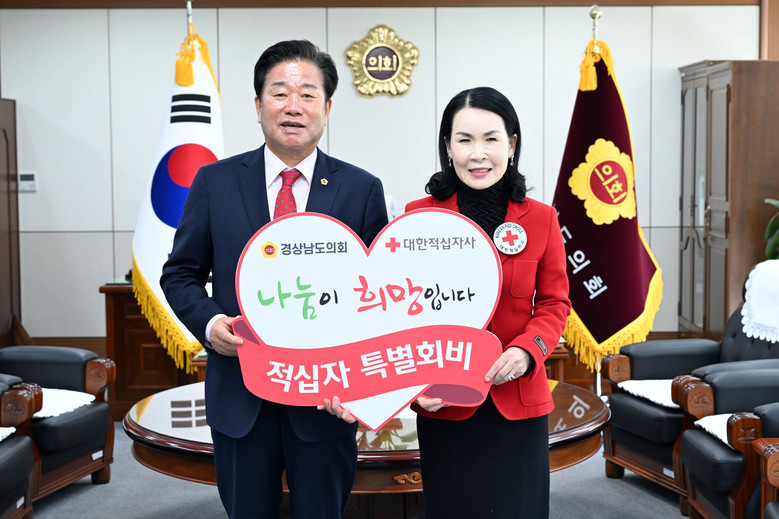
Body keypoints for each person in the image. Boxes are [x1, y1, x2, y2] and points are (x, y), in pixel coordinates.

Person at [160, 40, 388, 519]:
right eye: (280, 93)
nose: (293, 107)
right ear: (258, 105)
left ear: (327, 108)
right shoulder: (214, 182)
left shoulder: (361, 189)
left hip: (327, 398)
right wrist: (211, 324)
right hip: (241, 396)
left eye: (308, 94)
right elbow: (180, 274)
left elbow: (377, 297)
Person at [406, 87, 571, 519]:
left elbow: (554, 303)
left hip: (516, 399)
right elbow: (401, 312)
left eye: (491, 139)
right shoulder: (418, 216)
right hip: (446, 401)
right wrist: (417, 383)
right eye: (464, 140)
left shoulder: (541, 218)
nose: (478, 154)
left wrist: (527, 350)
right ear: (448, 147)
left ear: (511, 144)